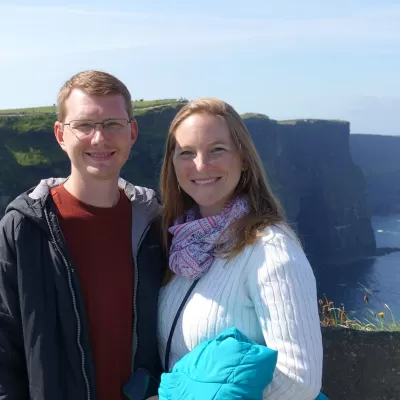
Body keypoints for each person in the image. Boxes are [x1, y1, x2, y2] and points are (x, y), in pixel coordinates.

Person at [0, 70, 164, 400]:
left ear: (132, 132)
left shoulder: (156, 223)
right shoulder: (24, 229)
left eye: (112, 124)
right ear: (61, 134)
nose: (99, 139)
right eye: (84, 125)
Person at [157, 98, 324, 399]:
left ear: (243, 158)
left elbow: (299, 382)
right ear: (172, 163)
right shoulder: (181, 244)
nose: (200, 165)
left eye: (217, 150)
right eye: (186, 153)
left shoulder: (270, 250)